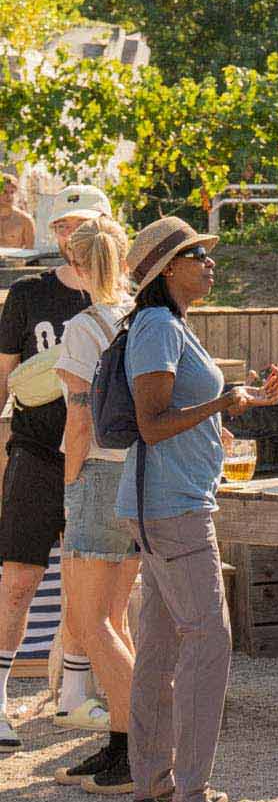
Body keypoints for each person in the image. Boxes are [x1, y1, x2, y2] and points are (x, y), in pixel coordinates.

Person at [121, 217, 278, 802]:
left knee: (162, 645)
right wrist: (221, 403)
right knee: (209, 644)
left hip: (167, 502)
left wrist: (236, 404)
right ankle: (190, 797)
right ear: (168, 269)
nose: (211, 263)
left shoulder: (169, 326)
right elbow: (152, 422)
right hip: (173, 507)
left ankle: (153, 787)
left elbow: (170, 419)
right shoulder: (159, 326)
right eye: (199, 255)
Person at [0, 190, 104, 752]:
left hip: (100, 463)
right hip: (37, 455)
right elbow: (3, 378)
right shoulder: (28, 293)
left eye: (82, 224)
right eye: (61, 226)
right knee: (17, 581)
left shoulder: (123, 300)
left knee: (90, 584)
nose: (70, 235)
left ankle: (75, 694)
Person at [46, 217, 140, 792]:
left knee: (89, 621)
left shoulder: (84, 327)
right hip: (137, 477)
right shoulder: (139, 316)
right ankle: (126, 744)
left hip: (98, 477)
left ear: (76, 267)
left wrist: (68, 486)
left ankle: (140, 745)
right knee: (114, 618)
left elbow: (79, 420)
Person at [0, 174, 35, 249]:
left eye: (12, 192)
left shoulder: (25, 220)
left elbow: (30, 251)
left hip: (14, 260)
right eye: (5, 192)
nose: (9, 196)